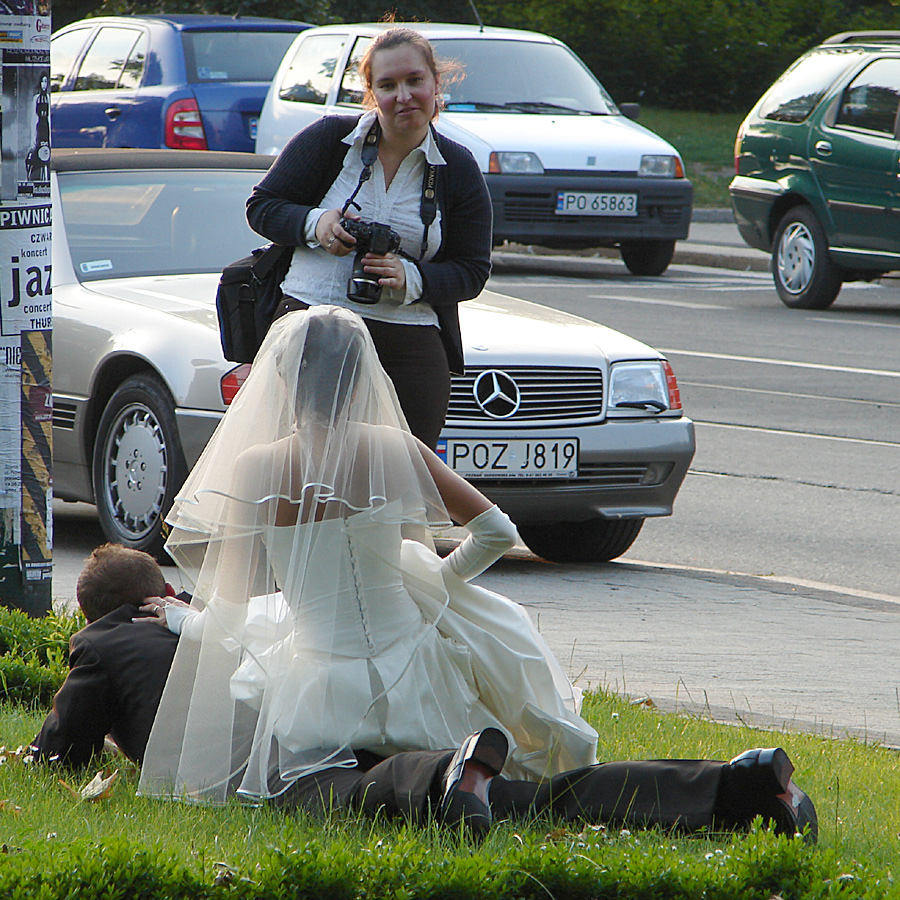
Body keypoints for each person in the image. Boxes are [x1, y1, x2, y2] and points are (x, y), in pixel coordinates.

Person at [135, 306, 817, 842]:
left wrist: (172, 613)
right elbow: (497, 531)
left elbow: (225, 613)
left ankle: (461, 776)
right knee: (530, 796)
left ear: (281, 381)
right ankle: (735, 785)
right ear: (361, 375)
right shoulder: (393, 449)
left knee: (323, 793)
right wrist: (436, 586)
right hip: (419, 674)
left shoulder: (254, 469)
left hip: (319, 691)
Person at [246, 25, 492, 450]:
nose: (403, 95)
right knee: (315, 462)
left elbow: (472, 271)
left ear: (437, 83)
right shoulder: (329, 140)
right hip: (314, 323)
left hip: (410, 333)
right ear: (370, 91)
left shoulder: (458, 166)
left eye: (414, 80)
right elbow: (262, 207)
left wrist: (410, 278)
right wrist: (317, 225)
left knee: (409, 467)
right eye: (388, 84)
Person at [30, 544, 182, 766]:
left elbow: (59, 750)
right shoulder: (202, 618)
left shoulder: (102, 644)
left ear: (90, 620)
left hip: (194, 779)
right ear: (170, 592)